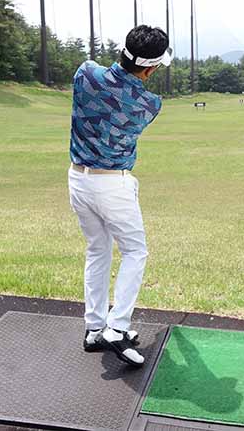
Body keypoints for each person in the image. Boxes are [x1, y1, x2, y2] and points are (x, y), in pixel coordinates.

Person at [68, 25, 170, 367]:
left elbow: (104, 77)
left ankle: (94, 329)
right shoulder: (149, 104)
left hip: (77, 179)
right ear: (150, 69)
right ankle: (117, 327)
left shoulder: (85, 73)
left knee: (97, 249)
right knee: (135, 252)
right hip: (113, 185)